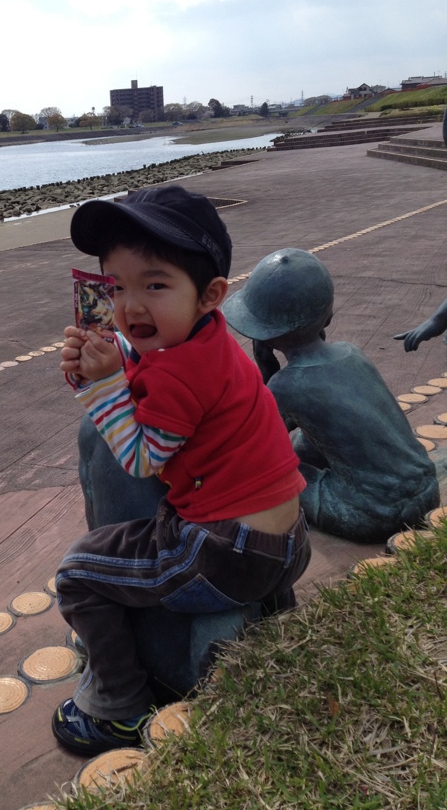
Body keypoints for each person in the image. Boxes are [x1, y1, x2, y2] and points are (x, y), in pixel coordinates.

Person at [52, 186, 311, 756]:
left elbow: (140, 458)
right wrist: (109, 363)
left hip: (225, 555)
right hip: (289, 542)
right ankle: (272, 615)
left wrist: (100, 386)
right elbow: (149, 364)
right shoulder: (208, 340)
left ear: (211, 294)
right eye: (115, 287)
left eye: (155, 285)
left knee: (77, 574)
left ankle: (118, 705)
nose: (130, 307)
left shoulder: (179, 374)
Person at [222, 248, 439, 543]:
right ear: (328, 318)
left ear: (262, 333)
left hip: (371, 512)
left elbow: (255, 444)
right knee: (304, 440)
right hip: (427, 491)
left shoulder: (285, 385)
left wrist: (267, 368)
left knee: (270, 472)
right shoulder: (352, 352)